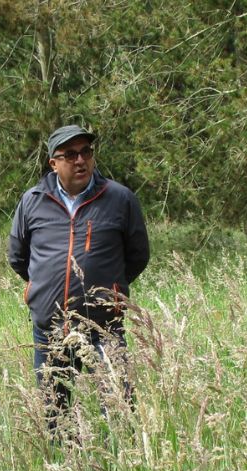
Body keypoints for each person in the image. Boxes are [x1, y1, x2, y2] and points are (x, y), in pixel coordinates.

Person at [8, 125, 149, 430]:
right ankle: (65, 469)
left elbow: (138, 255)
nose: (80, 160)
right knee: (56, 416)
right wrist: (41, 288)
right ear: (53, 163)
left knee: (120, 412)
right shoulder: (32, 201)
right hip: (51, 328)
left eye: (86, 152)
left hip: (104, 327)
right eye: (70, 154)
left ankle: (120, 470)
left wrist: (110, 288)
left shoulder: (120, 198)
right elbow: (18, 257)